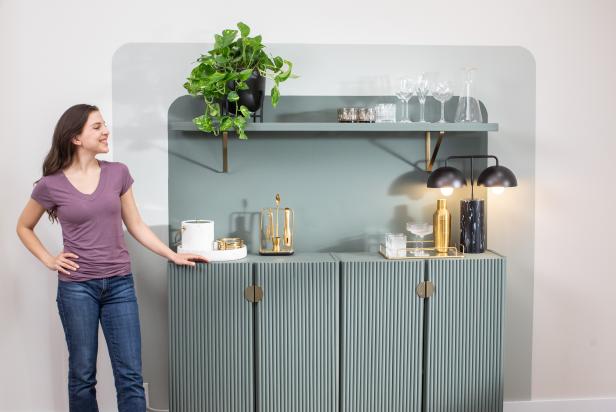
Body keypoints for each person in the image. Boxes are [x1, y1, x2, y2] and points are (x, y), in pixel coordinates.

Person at [16, 104, 208, 411]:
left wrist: (172, 254)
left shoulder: (118, 173)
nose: (106, 131)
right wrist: (50, 259)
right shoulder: (51, 185)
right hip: (77, 288)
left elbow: (136, 225)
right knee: (82, 375)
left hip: (119, 285)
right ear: (75, 137)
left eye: (104, 125)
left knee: (129, 374)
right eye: (96, 126)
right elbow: (24, 227)